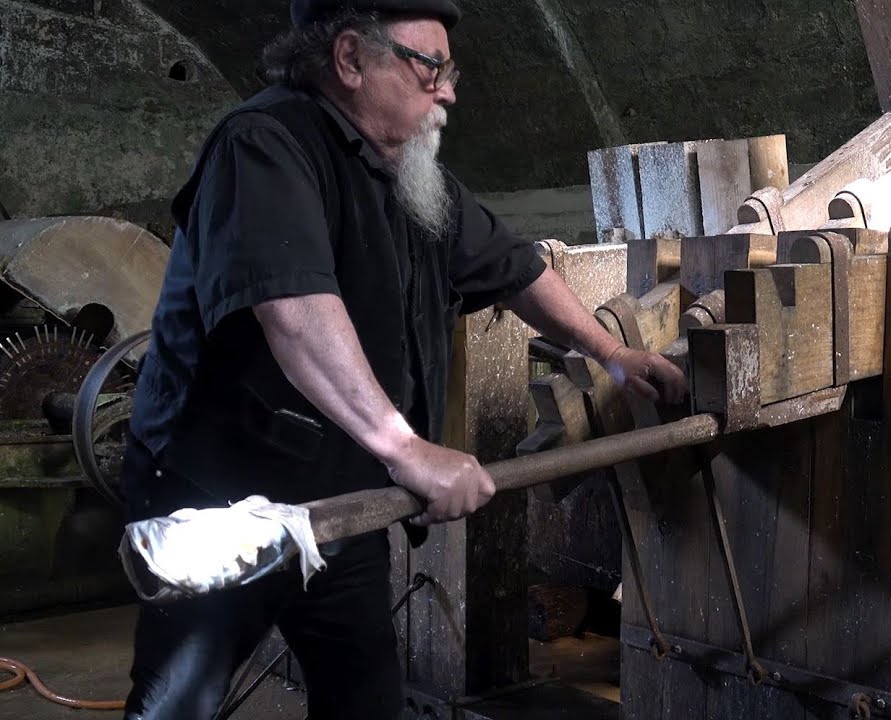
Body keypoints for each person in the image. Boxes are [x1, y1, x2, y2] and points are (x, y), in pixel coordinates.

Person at [118, 1, 686, 717]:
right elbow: (294, 313)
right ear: (351, 59)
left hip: (339, 495)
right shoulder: (262, 148)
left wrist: (611, 353)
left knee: (364, 699)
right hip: (220, 493)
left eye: (451, 70)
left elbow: (514, 268)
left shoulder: (410, 175)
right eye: (430, 67)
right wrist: (405, 446)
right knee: (180, 703)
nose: (448, 90)